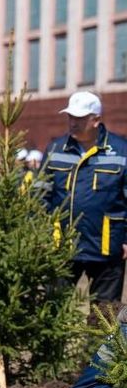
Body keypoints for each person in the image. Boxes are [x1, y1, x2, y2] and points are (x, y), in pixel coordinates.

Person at [43, 91, 127, 304]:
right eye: (70, 117)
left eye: (79, 118)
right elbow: (41, 196)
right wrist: (39, 234)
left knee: (105, 315)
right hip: (61, 245)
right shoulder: (55, 149)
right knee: (54, 307)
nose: (73, 123)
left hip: (107, 245)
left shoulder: (121, 151)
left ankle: (100, 340)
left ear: (96, 120)